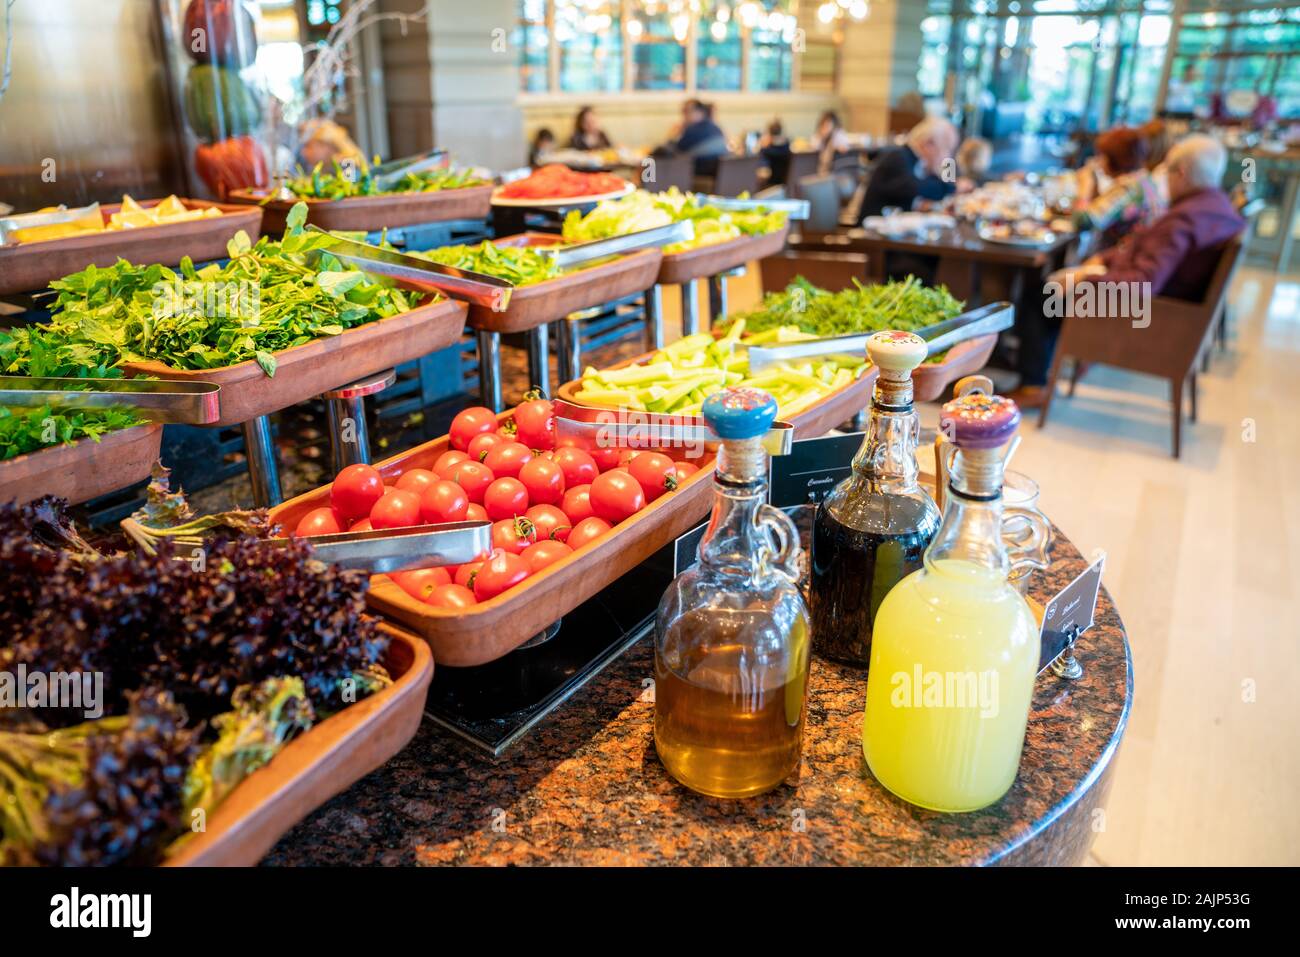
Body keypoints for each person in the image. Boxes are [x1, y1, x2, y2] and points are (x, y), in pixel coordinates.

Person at [1009, 135, 1245, 408]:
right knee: (1052, 289)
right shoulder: (1218, 208)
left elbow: (1142, 284)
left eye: (1167, 172)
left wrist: (1084, 278)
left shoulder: (1184, 219)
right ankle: (1046, 369)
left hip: (1145, 315)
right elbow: (1145, 252)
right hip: (1167, 311)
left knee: (1041, 296)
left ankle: (1033, 386)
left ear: (1181, 173)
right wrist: (1104, 260)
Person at [1071, 126, 1164, 250]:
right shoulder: (1145, 179)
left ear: (1114, 158)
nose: (1098, 161)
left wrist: (1084, 188)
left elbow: (1082, 222)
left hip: (1122, 261)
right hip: (1140, 256)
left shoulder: (1127, 188)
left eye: (1102, 156)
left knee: (1067, 269)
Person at [859, 116, 960, 220]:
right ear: (929, 144)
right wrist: (951, 185)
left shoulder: (916, 161)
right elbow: (917, 189)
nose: (947, 156)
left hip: (893, 227)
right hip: (871, 232)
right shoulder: (898, 157)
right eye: (946, 149)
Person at [670, 99, 728, 176]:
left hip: (698, 174)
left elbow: (674, 152)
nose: (684, 116)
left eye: (686, 111)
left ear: (700, 112)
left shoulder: (692, 130)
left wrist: (674, 134)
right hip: (718, 175)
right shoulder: (716, 128)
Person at [760, 119, 792, 186]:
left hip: (770, 185)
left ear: (769, 132)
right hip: (785, 184)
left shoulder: (766, 150)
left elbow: (763, 171)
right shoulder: (787, 146)